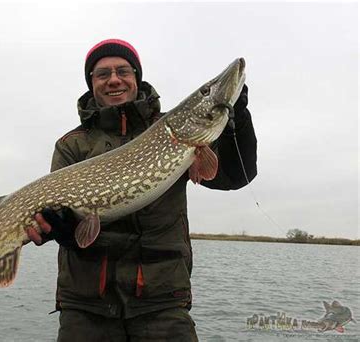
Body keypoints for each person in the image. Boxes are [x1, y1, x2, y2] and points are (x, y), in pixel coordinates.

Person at [26, 39, 257, 341]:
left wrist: (237, 123)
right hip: (86, 308)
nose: (114, 79)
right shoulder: (72, 144)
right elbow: (63, 218)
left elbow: (235, 175)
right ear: (91, 83)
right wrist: (62, 230)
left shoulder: (173, 132)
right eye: (102, 74)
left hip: (162, 303)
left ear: (136, 78)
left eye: (123, 70)